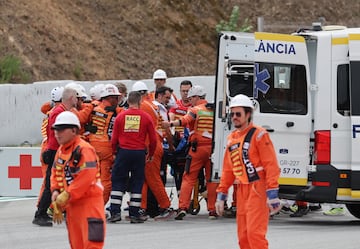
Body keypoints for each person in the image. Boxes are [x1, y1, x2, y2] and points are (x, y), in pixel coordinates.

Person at [215, 94, 281, 249]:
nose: (234, 117)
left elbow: (271, 165)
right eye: (232, 114)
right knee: (243, 237)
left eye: (238, 114)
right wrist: (222, 194)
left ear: (248, 114)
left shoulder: (259, 135)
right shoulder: (232, 138)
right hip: (242, 191)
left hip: (257, 189)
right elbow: (228, 169)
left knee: (254, 235)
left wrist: (272, 193)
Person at [162, 85, 219, 220]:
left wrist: (170, 124)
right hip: (212, 150)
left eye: (191, 98)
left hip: (197, 149)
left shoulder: (195, 110)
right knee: (211, 180)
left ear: (197, 97)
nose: (190, 101)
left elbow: (185, 120)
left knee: (188, 177)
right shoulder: (214, 110)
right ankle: (212, 209)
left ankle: (183, 207)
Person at [50, 111, 105, 249]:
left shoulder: (85, 150)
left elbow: (86, 176)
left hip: (89, 205)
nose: (57, 133)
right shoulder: (61, 150)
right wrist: (55, 191)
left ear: (74, 130)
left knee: (92, 244)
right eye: (56, 130)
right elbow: (55, 172)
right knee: (76, 245)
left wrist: (68, 193)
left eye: (61, 130)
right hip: (72, 206)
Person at [108, 91, 157, 223]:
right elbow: (153, 139)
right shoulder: (146, 117)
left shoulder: (120, 117)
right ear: (140, 102)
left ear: (128, 102)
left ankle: (115, 212)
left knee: (118, 181)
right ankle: (134, 214)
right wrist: (151, 154)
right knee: (137, 182)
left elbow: (114, 139)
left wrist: (114, 152)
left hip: (123, 152)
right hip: (139, 153)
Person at [33, 87, 78, 226]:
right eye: (76, 97)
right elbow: (53, 135)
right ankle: (40, 214)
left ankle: (47, 211)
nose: (77, 99)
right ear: (71, 98)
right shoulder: (59, 112)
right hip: (54, 151)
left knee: (56, 182)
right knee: (50, 183)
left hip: (55, 150)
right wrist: (55, 152)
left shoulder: (61, 112)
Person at [132, 81, 174, 219]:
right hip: (153, 144)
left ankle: (165, 206)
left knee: (152, 178)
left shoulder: (143, 107)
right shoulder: (153, 106)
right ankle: (142, 207)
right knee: (144, 178)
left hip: (151, 145)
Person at [87, 83, 123, 205]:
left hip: (91, 148)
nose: (118, 99)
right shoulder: (116, 112)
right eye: (116, 97)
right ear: (109, 97)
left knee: (89, 179)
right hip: (106, 149)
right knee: (106, 181)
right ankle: (98, 207)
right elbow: (129, 114)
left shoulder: (92, 107)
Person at [168, 80, 192, 194]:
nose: (185, 93)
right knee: (177, 169)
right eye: (183, 91)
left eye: (188, 91)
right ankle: (179, 193)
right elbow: (171, 116)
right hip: (179, 142)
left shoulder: (195, 106)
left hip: (191, 141)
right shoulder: (176, 104)